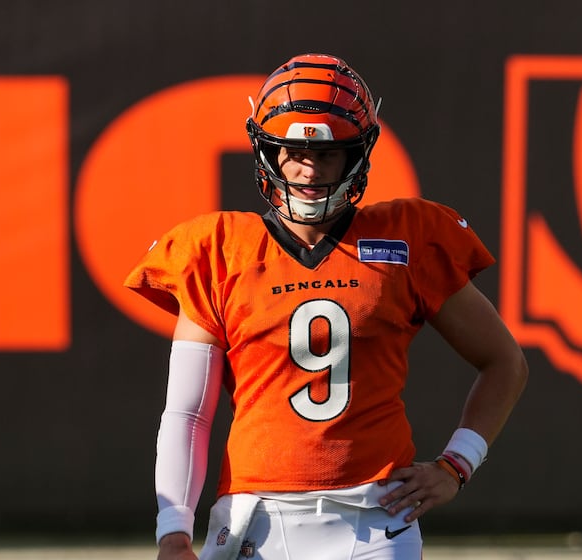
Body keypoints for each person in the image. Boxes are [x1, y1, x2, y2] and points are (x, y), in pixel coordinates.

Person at [124, 53, 528, 560]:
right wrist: (174, 530)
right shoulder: (218, 247)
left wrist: (456, 465)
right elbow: (188, 413)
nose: (309, 168)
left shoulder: (406, 237)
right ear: (266, 152)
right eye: (293, 150)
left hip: (376, 520)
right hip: (254, 521)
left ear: (358, 153)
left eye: (330, 153)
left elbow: (505, 362)